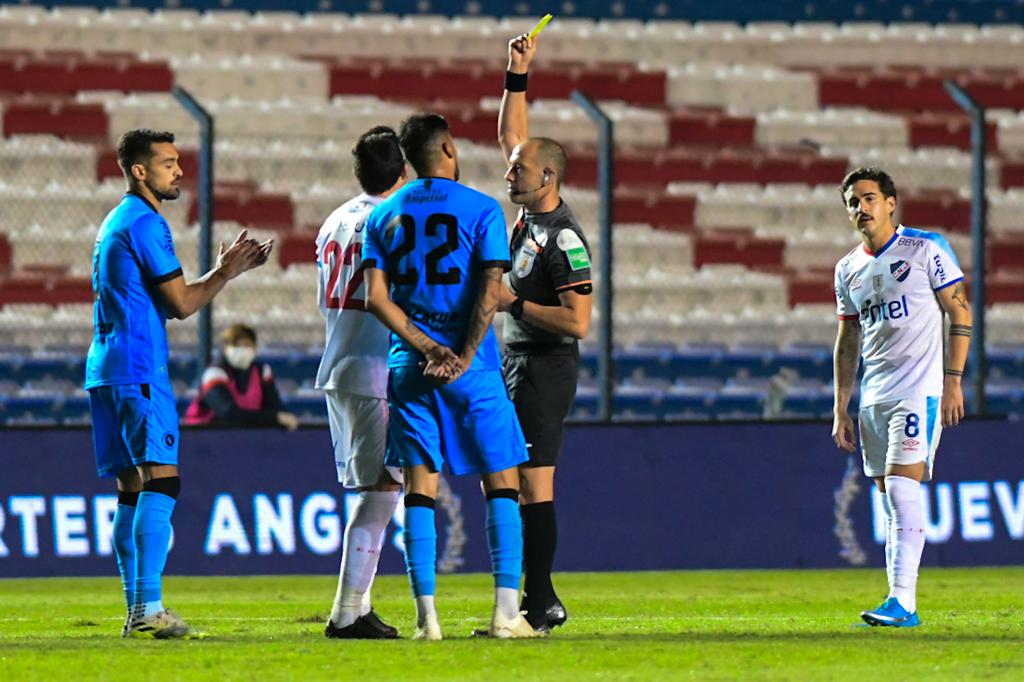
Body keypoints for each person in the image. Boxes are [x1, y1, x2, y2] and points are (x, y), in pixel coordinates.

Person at [362, 113, 543, 640]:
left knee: (420, 487)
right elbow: (489, 290)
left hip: (411, 366)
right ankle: (505, 614)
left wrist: (426, 346)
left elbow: (375, 299)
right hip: (474, 368)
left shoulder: (383, 215)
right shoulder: (482, 209)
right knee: (502, 480)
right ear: (447, 148)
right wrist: (461, 353)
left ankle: (427, 620)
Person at [86, 129, 272, 639]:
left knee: (131, 490)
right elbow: (182, 303)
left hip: (106, 368)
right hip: (139, 368)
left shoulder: (114, 221)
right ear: (139, 171)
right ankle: (148, 607)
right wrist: (224, 272)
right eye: (168, 163)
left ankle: (136, 609)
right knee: (162, 481)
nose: (179, 171)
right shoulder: (146, 223)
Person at [831, 167, 971, 628]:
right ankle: (898, 602)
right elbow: (848, 340)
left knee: (901, 487)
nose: (861, 208)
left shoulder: (926, 248)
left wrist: (953, 380)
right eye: (853, 202)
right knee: (890, 497)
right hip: (875, 397)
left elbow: (960, 312)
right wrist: (841, 407)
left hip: (919, 389)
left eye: (869, 198)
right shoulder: (847, 269)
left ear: (891, 203)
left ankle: (903, 603)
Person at [496, 32, 593, 632]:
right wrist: (516, 74)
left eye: (520, 170)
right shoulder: (529, 214)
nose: (509, 172)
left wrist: (512, 302)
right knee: (512, 482)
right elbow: (514, 136)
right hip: (516, 361)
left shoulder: (564, 237)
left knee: (534, 484)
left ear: (548, 178)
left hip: (545, 366)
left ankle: (542, 598)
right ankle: (526, 600)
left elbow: (579, 322)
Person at [313, 126, 407, 639]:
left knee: (374, 487)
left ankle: (359, 606)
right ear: (404, 169)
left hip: (339, 362)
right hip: (377, 366)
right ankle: (346, 612)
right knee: (384, 489)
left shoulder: (333, 220)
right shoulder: (394, 219)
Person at [183, 324, 299, 431]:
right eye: (236, 345)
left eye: (247, 345)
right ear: (226, 348)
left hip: (244, 436)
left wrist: (278, 416)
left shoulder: (261, 372)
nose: (242, 349)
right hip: (205, 435)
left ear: (255, 348)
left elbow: (276, 408)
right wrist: (275, 418)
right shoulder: (214, 374)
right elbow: (229, 414)